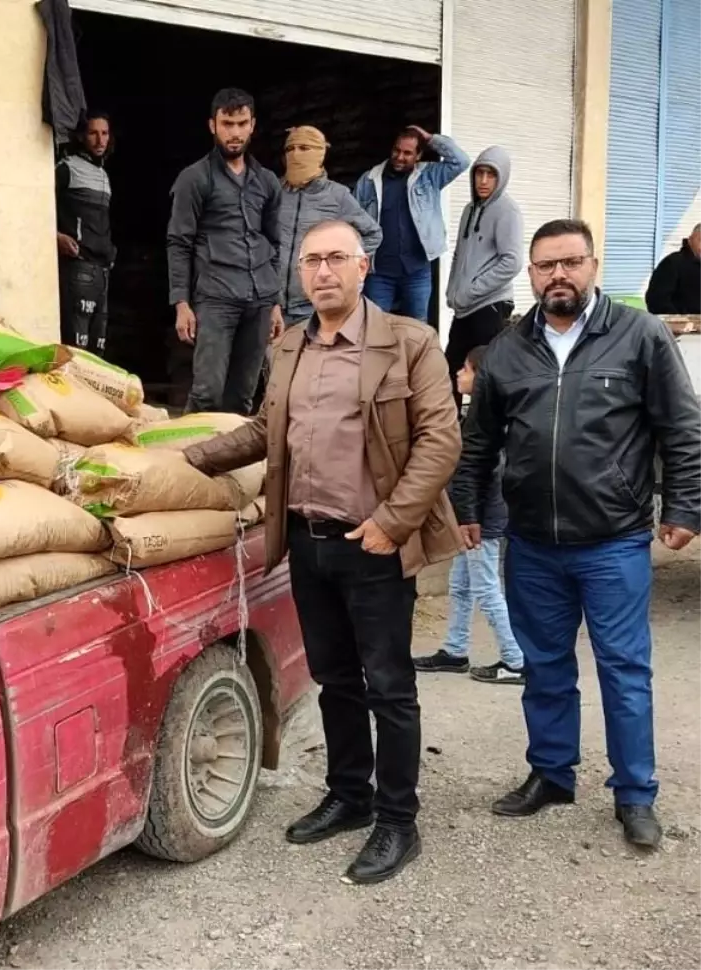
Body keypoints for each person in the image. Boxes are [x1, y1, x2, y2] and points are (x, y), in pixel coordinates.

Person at [183, 219, 461, 884]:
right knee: (334, 681)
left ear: (363, 267)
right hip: (307, 543)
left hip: (373, 543)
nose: (323, 271)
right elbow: (262, 430)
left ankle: (398, 820)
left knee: (389, 687)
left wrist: (393, 523)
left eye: (336, 258)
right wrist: (185, 457)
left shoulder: (409, 342)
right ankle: (350, 794)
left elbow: (441, 440)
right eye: (311, 261)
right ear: (299, 272)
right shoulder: (288, 348)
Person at [451, 218, 701, 850]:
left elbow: (682, 428)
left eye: (570, 262)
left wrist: (686, 508)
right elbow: (478, 442)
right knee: (545, 667)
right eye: (545, 265)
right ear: (530, 274)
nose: (557, 275)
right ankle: (551, 774)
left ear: (593, 265)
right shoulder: (508, 349)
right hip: (531, 543)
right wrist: (467, 507)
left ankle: (636, 794)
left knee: (624, 670)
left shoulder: (639, 336)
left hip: (612, 541)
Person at [167, 88, 284, 415]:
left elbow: (274, 244)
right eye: (227, 123)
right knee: (207, 393)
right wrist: (181, 303)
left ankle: (231, 467)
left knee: (243, 397)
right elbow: (179, 241)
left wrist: (275, 303)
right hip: (216, 297)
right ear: (212, 126)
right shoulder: (195, 178)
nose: (234, 132)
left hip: (259, 300)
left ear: (253, 125)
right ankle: (188, 462)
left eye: (241, 123)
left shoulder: (268, 182)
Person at [414, 345, 525, 684]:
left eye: (466, 368)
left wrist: (469, 516)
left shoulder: (491, 422)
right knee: (460, 584)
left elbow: (481, 474)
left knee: (487, 589)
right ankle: (455, 649)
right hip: (470, 517)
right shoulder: (474, 414)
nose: (459, 374)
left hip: (480, 521)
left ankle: (516, 660)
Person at [354, 126, 470, 323]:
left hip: (417, 271)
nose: (400, 157)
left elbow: (461, 161)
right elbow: (353, 221)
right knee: (374, 328)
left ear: (419, 155)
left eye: (407, 153)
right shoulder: (369, 180)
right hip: (379, 272)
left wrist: (430, 138)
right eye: (396, 150)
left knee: (417, 329)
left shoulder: (429, 176)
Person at [444, 146, 524, 410]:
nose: (484, 181)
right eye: (480, 173)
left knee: (484, 375)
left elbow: (512, 261)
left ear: (502, 178)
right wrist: (453, 290)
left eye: (491, 174)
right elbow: (459, 254)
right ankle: (448, 431)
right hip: (465, 309)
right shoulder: (469, 210)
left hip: (490, 306)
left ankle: (485, 438)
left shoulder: (507, 211)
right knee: (451, 372)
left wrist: (472, 290)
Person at [278, 126, 382, 327]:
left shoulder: (337, 195)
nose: (295, 154)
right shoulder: (275, 191)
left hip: (313, 305)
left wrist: (340, 264)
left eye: (304, 148)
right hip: (273, 307)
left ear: (319, 154)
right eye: (290, 149)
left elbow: (372, 234)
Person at [56, 112, 117, 355]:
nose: (100, 140)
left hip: (102, 270)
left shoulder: (103, 175)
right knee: (76, 347)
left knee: (97, 346)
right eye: (93, 133)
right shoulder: (66, 168)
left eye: (104, 133)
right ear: (81, 136)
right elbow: (38, 205)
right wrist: (56, 236)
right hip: (78, 266)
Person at [645, 223, 701, 315]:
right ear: (690, 240)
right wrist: (679, 321)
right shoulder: (672, 263)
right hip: (681, 326)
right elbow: (656, 301)